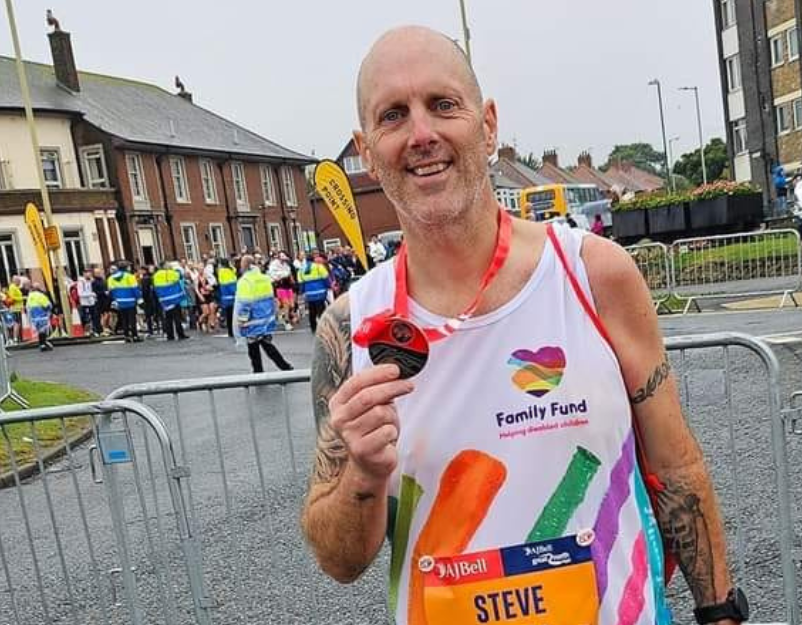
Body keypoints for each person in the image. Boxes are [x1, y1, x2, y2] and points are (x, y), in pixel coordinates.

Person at [299, 26, 747, 625]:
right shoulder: (348, 330)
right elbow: (339, 560)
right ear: (368, 150)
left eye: (443, 105)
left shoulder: (594, 275)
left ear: (488, 126)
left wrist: (721, 613)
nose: (422, 134)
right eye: (393, 116)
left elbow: (676, 467)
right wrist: (364, 471)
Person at [234, 258, 294, 373]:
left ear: (244, 266)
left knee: (253, 348)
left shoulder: (245, 281)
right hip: (266, 318)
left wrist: (241, 321)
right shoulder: (265, 278)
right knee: (267, 344)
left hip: (252, 320)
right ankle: (284, 366)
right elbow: (271, 299)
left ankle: (258, 371)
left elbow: (244, 303)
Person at [107, 262, 142, 342]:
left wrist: (115, 299)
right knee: (132, 319)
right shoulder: (130, 276)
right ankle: (135, 336)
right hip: (130, 301)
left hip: (119, 302)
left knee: (124, 319)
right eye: (129, 267)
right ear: (126, 268)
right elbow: (135, 289)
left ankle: (126, 336)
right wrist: (139, 299)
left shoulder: (111, 278)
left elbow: (111, 291)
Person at [153, 262, 188, 341]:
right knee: (177, 317)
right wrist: (174, 268)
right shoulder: (172, 273)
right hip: (174, 298)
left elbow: (156, 287)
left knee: (168, 318)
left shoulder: (156, 275)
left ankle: (170, 335)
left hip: (164, 300)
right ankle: (180, 334)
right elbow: (181, 275)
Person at [297, 252, 333, 332]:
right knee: (321, 310)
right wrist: (329, 286)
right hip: (320, 291)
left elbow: (301, 282)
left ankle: (313, 327)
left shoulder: (301, 269)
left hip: (309, 293)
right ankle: (324, 327)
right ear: (313, 259)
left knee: (312, 310)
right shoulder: (318, 267)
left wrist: (301, 292)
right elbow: (325, 277)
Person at [25, 282, 54, 351]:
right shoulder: (41, 295)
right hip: (42, 315)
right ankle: (43, 344)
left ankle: (42, 343)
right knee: (43, 330)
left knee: (40, 330)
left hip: (34, 316)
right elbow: (47, 305)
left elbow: (28, 306)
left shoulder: (30, 296)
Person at [217, 259, 239, 337]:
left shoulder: (223, 272)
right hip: (231, 296)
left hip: (227, 297)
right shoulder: (228, 272)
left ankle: (231, 331)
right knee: (232, 315)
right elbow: (232, 285)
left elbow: (227, 285)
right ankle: (233, 331)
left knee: (229, 315)